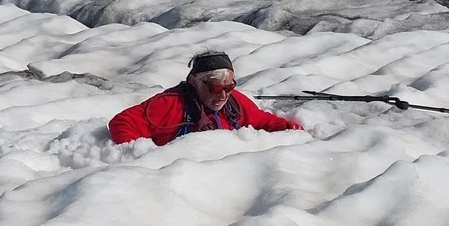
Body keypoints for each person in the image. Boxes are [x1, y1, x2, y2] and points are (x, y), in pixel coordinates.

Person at [108, 51, 303, 146]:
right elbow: (122, 123)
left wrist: (288, 129)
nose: (223, 95)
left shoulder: (235, 103)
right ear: (195, 82)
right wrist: (143, 159)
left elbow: (260, 120)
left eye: (229, 86)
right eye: (215, 87)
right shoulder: (169, 105)